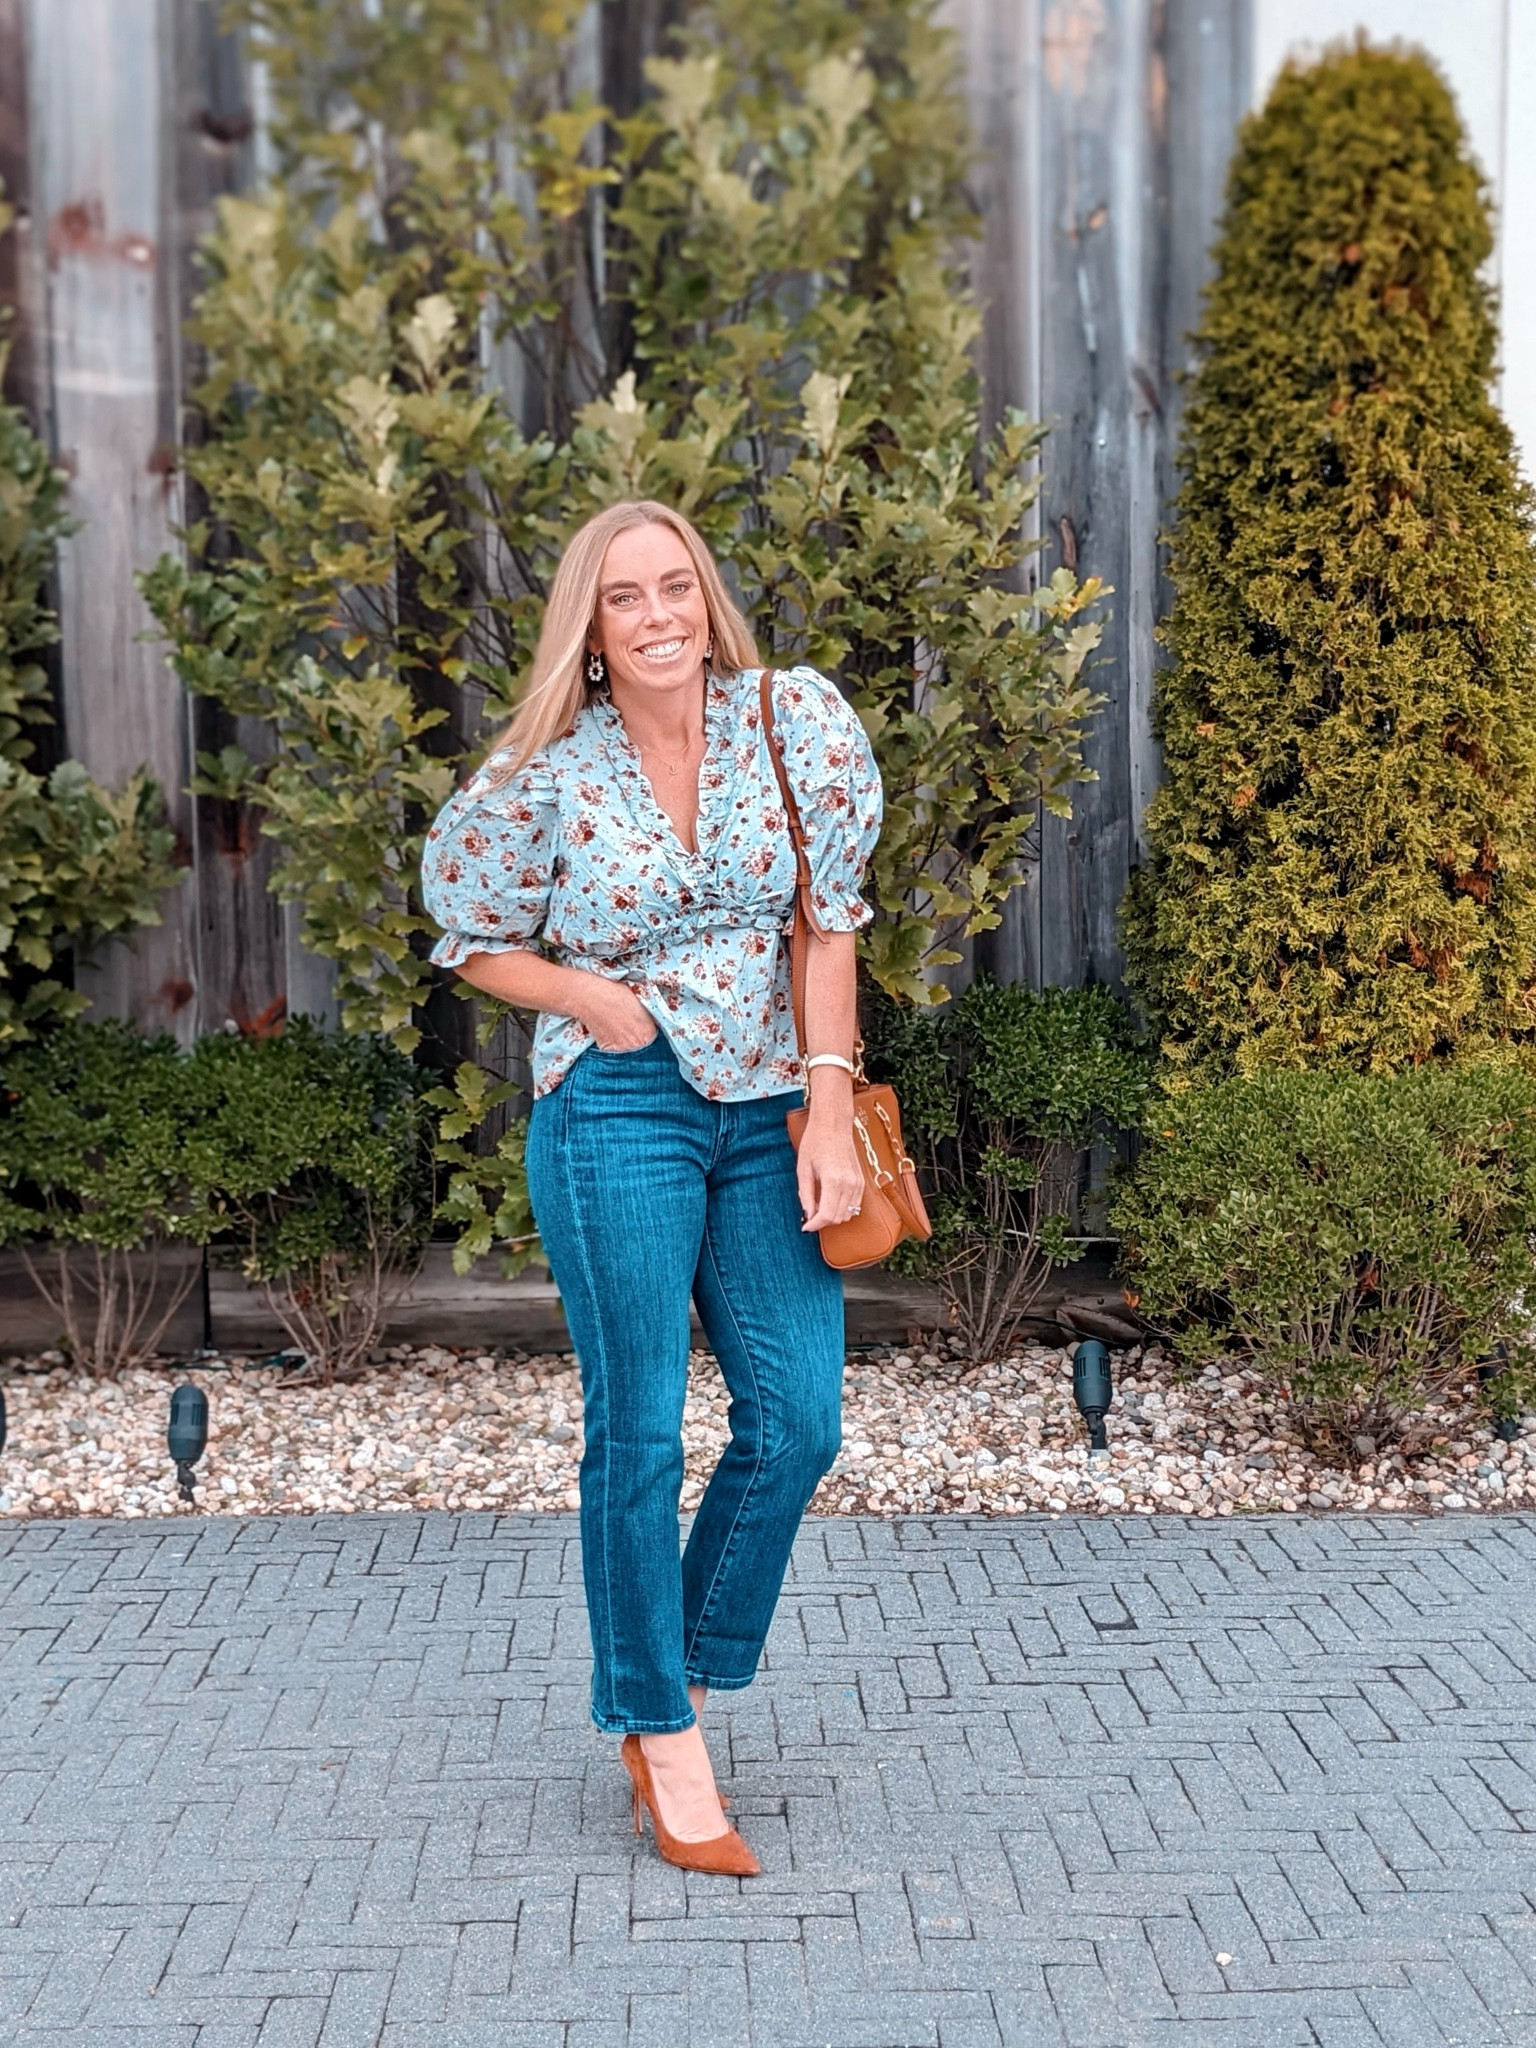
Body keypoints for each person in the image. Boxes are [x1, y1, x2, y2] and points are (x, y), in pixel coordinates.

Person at [421, 499, 882, 1876]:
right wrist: (590, 999)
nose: (659, 614)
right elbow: (470, 938)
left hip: (770, 1107)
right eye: (625, 597)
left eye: (676, 585)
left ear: (706, 597)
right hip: (619, 1106)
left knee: (797, 1421)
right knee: (638, 1432)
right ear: (594, 629)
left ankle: (664, 1669)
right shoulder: (545, 775)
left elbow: (828, 925)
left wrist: (829, 1109)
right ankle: (664, 1732)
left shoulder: (790, 723)